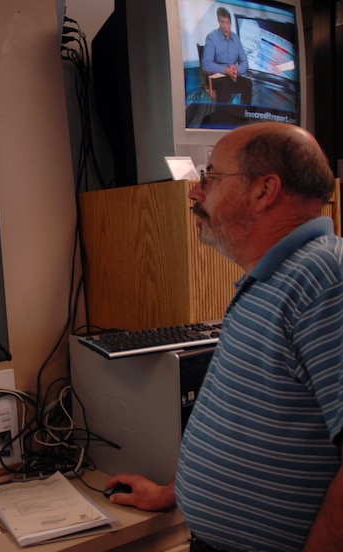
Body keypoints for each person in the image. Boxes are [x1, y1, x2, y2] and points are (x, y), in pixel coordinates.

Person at [103, 122, 343, 551]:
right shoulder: (270, 280)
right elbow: (245, 423)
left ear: (264, 190)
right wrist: (173, 492)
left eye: (210, 177)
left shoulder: (324, 281)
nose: (195, 192)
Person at [202, 6, 253, 106]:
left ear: (231, 23)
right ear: (218, 21)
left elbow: (245, 62)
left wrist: (237, 70)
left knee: (248, 84)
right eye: (222, 22)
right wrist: (226, 70)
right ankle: (222, 118)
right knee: (225, 86)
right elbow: (206, 64)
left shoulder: (236, 38)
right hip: (217, 77)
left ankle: (244, 117)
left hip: (232, 76)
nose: (225, 26)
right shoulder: (211, 38)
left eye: (227, 23)